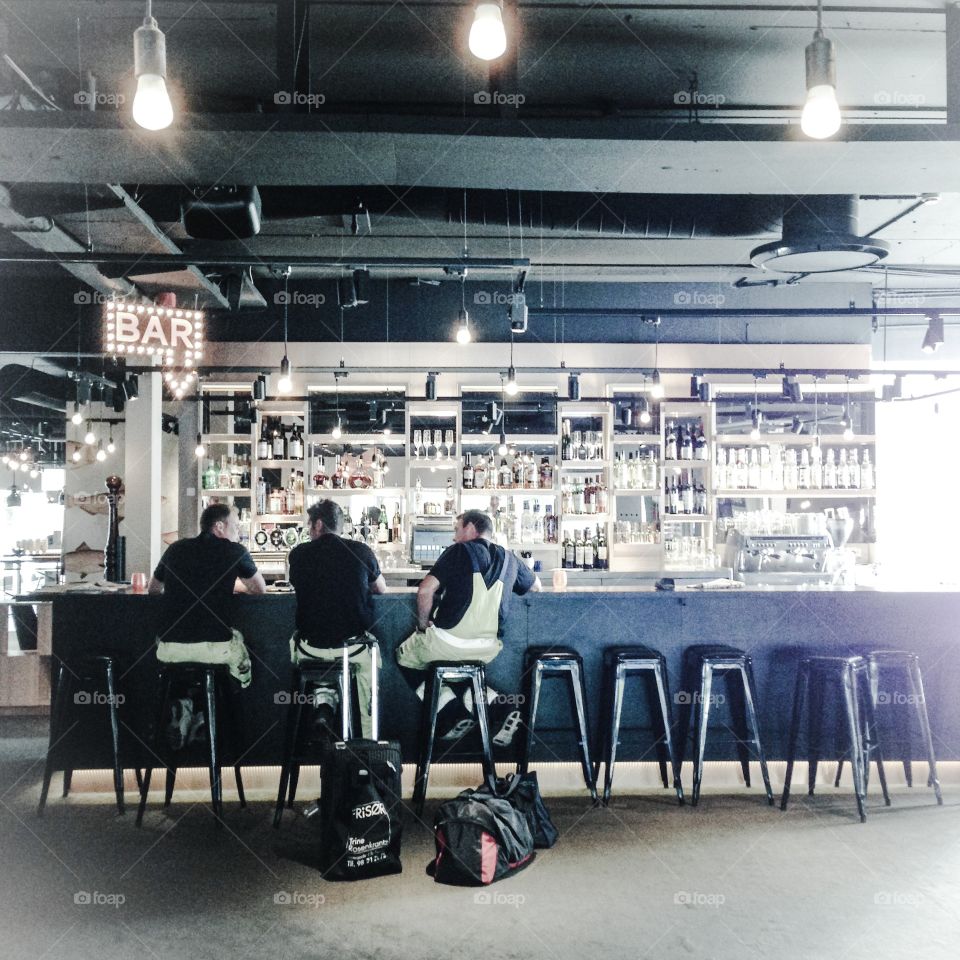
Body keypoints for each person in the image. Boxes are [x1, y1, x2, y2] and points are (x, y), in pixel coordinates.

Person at [396, 509, 541, 742]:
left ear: (471, 528)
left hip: (446, 643)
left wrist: (422, 627)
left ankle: (449, 711)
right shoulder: (510, 558)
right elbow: (536, 587)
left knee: (405, 657)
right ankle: (496, 706)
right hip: (487, 649)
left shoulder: (458, 551)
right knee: (462, 670)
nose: (454, 537)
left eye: (456, 529)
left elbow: (425, 590)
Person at [148, 503, 265, 747]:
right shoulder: (235, 551)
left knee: (194, 661)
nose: (238, 531)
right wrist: (229, 585)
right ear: (219, 527)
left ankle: (188, 706)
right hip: (214, 648)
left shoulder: (176, 549)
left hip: (169, 649)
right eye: (235, 525)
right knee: (239, 654)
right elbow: (259, 589)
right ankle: (211, 716)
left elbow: (154, 589)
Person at [287, 499, 387, 739]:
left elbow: (295, 585)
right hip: (351, 650)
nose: (309, 531)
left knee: (298, 644)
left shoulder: (298, 554)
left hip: (310, 650)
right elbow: (380, 588)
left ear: (319, 524)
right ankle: (367, 745)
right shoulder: (361, 550)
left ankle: (324, 703)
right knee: (370, 656)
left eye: (309, 526)